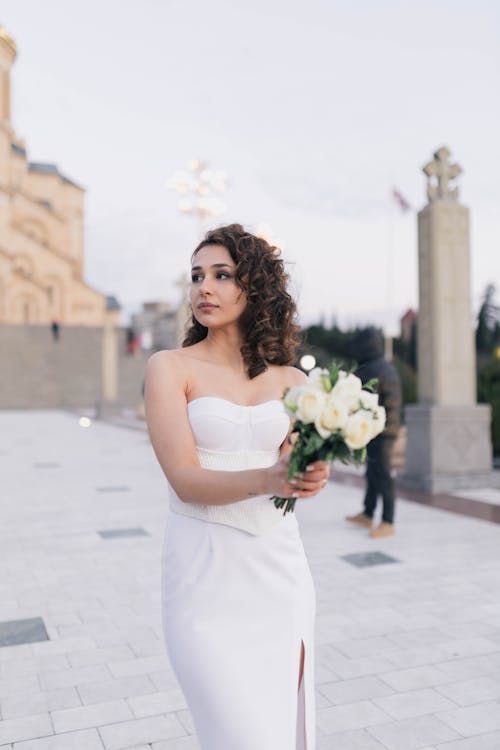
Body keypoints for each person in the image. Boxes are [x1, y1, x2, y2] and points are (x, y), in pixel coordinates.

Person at [144, 224, 330, 750]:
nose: (204, 287)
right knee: (235, 734)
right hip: (204, 572)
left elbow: (297, 470)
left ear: (255, 287)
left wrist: (312, 472)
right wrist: (270, 478)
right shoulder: (169, 368)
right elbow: (184, 480)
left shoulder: (292, 380)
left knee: (279, 730)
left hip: (279, 571)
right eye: (197, 275)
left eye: (221, 275)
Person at [346, 327, 402, 538]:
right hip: (381, 429)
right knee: (373, 473)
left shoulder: (371, 369)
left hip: (382, 431)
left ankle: (388, 521)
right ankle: (368, 514)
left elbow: (358, 400)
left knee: (383, 475)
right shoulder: (383, 366)